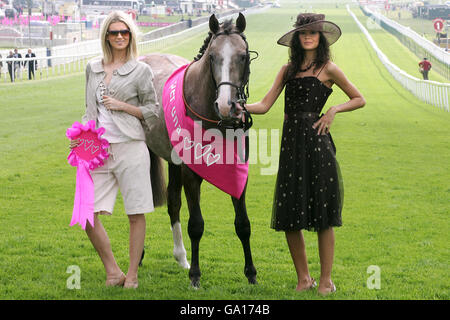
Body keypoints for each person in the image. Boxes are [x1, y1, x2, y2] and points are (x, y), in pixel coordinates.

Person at [245, 13, 365, 295]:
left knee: (323, 214)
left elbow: (359, 98)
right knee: (290, 213)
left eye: (313, 32)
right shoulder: (287, 70)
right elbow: (264, 105)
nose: (308, 36)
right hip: (291, 146)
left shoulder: (329, 68)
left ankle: (325, 281)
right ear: (297, 38)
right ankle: (303, 278)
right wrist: (238, 107)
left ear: (320, 36)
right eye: (303, 33)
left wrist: (334, 109)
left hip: (318, 143)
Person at [69, 10, 159, 289]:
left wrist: (124, 107)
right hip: (97, 151)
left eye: (124, 32)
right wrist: (81, 136)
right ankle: (112, 271)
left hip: (131, 148)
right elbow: (89, 109)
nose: (120, 36)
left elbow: (153, 112)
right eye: (114, 32)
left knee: (135, 213)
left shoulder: (141, 70)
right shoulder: (92, 67)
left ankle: (131, 275)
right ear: (106, 36)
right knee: (86, 214)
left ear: (130, 36)